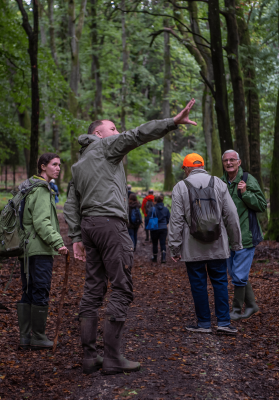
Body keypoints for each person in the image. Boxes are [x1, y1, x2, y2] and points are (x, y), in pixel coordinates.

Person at [64, 99, 197, 375]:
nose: (117, 131)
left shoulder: (79, 164)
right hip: (110, 226)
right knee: (122, 287)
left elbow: (71, 204)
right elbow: (137, 135)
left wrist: (76, 236)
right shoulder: (105, 146)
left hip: (89, 227)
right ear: (98, 133)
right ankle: (112, 357)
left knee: (92, 290)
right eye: (112, 128)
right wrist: (172, 122)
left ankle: (90, 357)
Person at [168, 153, 242, 335]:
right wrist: (236, 243)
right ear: (202, 166)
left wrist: (174, 247)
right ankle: (224, 322)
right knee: (220, 282)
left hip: (192, 247)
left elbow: (176, 220)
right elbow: (231, 215)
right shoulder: (219, 183)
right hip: (218, 244)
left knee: (198, 284)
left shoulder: (180, 187)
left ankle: (203, 324)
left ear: (186, 168)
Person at [17, 153, 68, 350]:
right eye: (54, 165)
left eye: (59, 165)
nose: (58, 168)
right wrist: (57, 242)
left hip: (27, 249)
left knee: (28, 290)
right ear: (42, 166)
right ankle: (37, 336)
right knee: (40, 290)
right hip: (39, 249)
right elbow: (41, 222)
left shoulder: (29, 187)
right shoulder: (41, 190)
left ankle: (25, 337)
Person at [221, 150, 267, 320]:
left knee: (239, 275)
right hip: (227, 238)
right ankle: (253, 306)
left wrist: (245, 193)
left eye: (232, 160)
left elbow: (262, 205)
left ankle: (236, 310)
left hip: (245, 236)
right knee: (235, 274)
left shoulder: (247, 180)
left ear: (239, 162)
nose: (229, 163)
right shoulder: (221, 183)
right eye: (226, 160)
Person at [150, 195, 170, 263]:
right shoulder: (166, 209)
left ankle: (155, 257)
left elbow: (149, 217)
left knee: (155, 243)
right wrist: (164, 223)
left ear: (155, 201)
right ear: (162, 200)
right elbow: (168, 219)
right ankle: (163, 258)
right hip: (163, 228)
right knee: (163, 243)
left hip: (154, 228)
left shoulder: (152, 209)